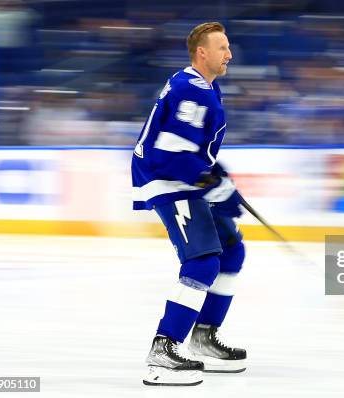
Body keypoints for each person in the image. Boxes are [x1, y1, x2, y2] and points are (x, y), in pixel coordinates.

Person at [131, 22, 246, 386]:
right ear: (202, 52)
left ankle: (203, 338)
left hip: (186, 178)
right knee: (202, 258)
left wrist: (218, 178)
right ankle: (163, 350)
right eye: (223, 48)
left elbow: (194, 151)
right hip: (169, 182)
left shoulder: (204, 87)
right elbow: (168, 153)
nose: (229, 55)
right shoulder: (191, 90)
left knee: (231, 251)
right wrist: (210, 182)